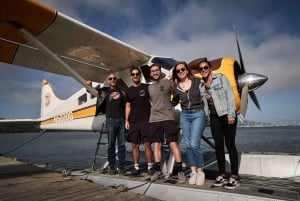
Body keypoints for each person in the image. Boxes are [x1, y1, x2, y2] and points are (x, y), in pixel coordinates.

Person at [198, 58, 240, 189]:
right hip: (214, 117)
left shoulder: (221, 78)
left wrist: (231, 114)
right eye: (201, 69)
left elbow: (230, 95)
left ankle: (234, 176)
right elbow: (205, 104)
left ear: (210, 69)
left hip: (226, 115)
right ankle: (221, 174)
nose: (203, 70)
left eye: (206, 67)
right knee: (218, 145)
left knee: (230, 144)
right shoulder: (200, 86)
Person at [148, 63, 186, 183]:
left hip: (168, 117)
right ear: (150, 73)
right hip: (155, 119)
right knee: (157, 145)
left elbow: (178, 90)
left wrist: (174, 102)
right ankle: (158, 170)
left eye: (157, 70)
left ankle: (180, 171)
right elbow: (150, 101)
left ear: (160, 71)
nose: (155, 72)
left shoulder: (168, 83)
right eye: (153, 71)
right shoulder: (149, 87)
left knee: (173, 143)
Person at [171, 61, 206, 185]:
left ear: (187, 70)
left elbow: (206, 96)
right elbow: (174, 102)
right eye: (178, 70)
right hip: (185, 115)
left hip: (198, 113)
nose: (180, 72)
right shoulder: (176, 87)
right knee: (187, 145)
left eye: (182, 69)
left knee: (194, 144)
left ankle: (201, 172)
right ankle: (193, 172)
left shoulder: (197, 81)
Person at [87, 71, 126, 175]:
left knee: (122, 145)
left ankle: (121, 166)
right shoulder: (103, 91)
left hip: (121, 120)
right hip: (110, 120)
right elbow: (92, 91)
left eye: (114, 78)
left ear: (116, 80)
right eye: (110, 79)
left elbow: (126, 106)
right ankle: (112, 167)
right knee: (111, 145)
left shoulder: (122, 92)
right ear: (108, 81)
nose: (112, 80)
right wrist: (89, 86)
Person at [125, 67, 154, 176]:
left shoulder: (147, 87)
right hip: (133, 122)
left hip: (146, 120)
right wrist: (126, 120)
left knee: (147, 144)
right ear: (131, 76)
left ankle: (150, 167)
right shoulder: (128, 90)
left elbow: (153, 101)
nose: (135, 76)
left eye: (137, 74)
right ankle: (136, 168)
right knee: (135, 145)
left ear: (140, 75)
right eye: (133, 74)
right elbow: (128, 106)